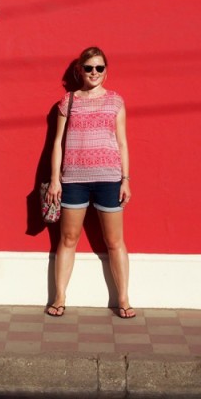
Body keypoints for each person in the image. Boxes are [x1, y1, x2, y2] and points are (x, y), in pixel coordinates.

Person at [45, 46, 134, 318]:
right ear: (79, 71)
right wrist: (54, 180)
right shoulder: (68, 101)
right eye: (88, 68)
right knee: (68, 238)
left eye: (99, 68)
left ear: (106, 71)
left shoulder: (116, 101)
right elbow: (57, 143)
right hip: (73, 179)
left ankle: (124, 299)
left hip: (108, 178)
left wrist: (125, 180)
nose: (94, 72)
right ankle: (59, 297)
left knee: (114, 241)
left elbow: (122, 142)